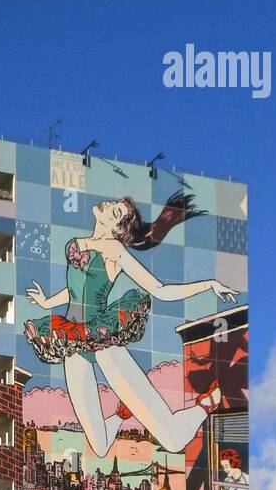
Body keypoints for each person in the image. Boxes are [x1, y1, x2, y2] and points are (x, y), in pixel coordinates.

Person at [24, 193, 237, 457]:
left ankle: (206, 404)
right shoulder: (76, 243)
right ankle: (122, 414)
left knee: (171, 440)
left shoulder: (115, 252)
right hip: (71, 339)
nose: (110, 206)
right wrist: (47, 303)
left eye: (116, 212)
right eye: (115, 205)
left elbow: (160, 289)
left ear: (116, 229)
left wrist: (209, 284)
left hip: (102, 338)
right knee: (100, 448)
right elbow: (74, 287)